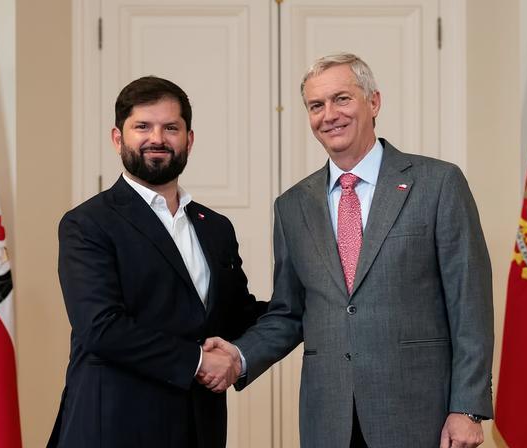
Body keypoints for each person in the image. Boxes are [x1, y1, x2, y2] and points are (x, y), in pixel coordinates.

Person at [202, 53, 494, 448]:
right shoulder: (292, 206)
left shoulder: (438, 184)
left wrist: (468, 407)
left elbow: (469, 304)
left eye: (342, 98)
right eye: (316, 105)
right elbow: (290, 313)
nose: (329, 115)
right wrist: (239, 355)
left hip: (421, 415)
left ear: (373, 102)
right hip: (330, 418)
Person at [48, 76, 267, 448]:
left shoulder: (215, 227)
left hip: (198, 427)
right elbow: (101, 328)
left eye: (171, 127)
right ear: (118, 138)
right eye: (142, 127)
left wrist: (311, 306)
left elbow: (235, 315)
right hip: (113, 426)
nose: (157, 139)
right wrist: (199, 361)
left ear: (189, 140)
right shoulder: (87, 223)